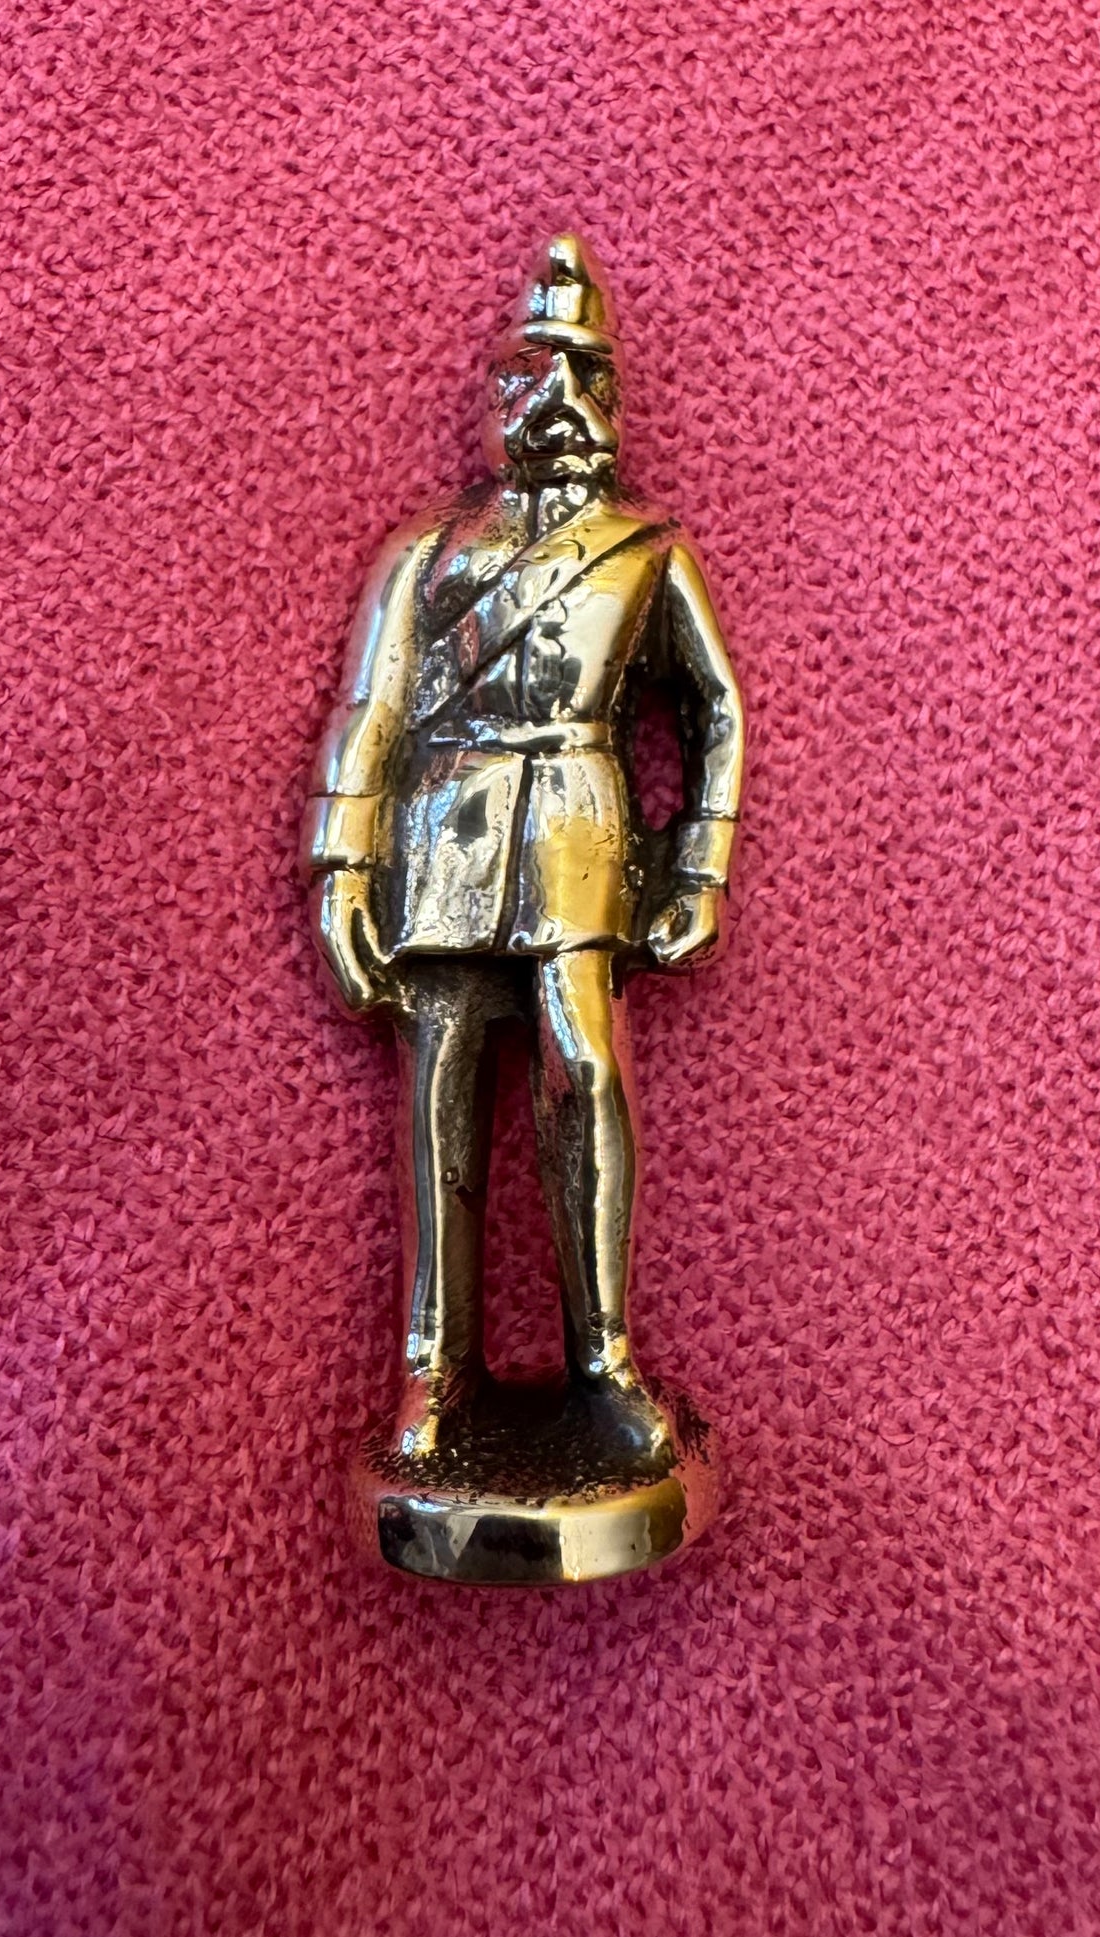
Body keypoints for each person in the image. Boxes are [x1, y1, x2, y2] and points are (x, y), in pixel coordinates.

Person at [304, 235, 745, 1460]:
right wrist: (342, 867)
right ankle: (432, 1370)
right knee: (440, 1086)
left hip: (574, 833)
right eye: (527, 374)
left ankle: (603, 1362)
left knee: (583, 1070)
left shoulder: (646, 552)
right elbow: (372, 709)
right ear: (494, 394)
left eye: (581, 376)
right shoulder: (423, 554)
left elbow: (712, 708)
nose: (553, 400)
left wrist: (698, 866)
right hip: (443, 828)